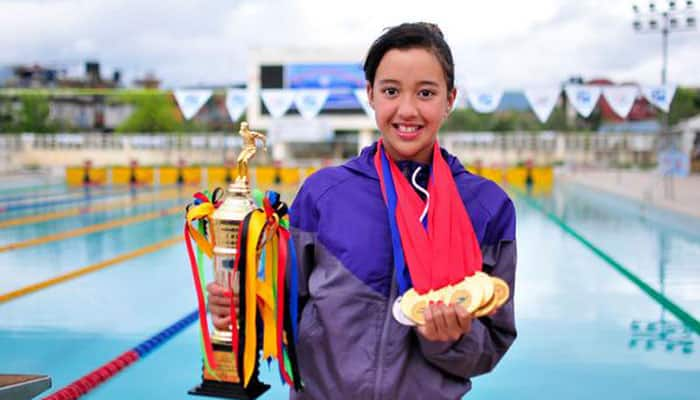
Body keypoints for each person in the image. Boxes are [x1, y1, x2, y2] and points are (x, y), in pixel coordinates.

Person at [207, 22, 517, 399]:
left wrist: (449, 341)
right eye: (391, 91)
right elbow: (284, 310)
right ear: (370, 95)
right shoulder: (324, 195)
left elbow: (493, 343)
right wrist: (242, 311)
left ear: (449, 99)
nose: (407, 109)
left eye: (425, 93)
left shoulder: (486, 207)